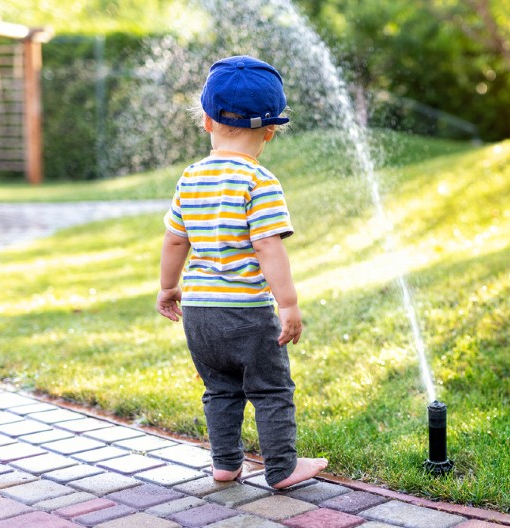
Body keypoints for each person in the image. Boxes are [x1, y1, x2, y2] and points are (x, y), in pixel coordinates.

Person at [156, 55, 327, 489]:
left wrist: (167, 287)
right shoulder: (259, 180)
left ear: (208, 122)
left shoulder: (190, 177)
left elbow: (176, 240)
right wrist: (287, 303)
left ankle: (226, 464)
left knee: (220, 390)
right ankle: (282, 467)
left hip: (198, 312)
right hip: (246, 313)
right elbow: (266, 245)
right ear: (271, 131)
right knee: (270, 389)